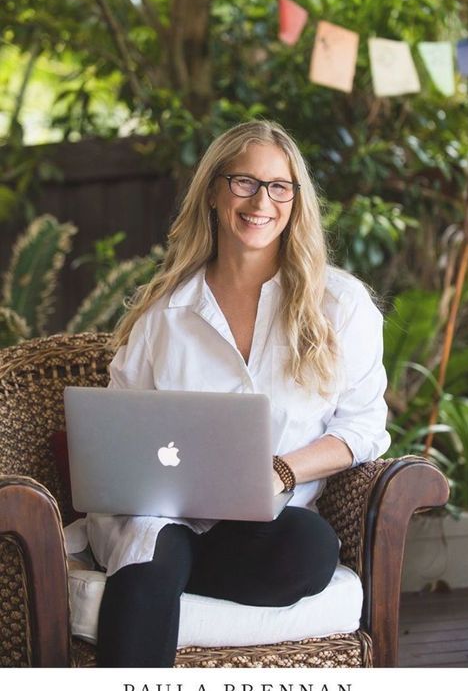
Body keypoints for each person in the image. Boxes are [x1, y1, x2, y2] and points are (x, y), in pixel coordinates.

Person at [88, 119, 390, 667]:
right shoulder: (164, 314)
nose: (261, 201)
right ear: (212, 191)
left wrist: (282, 470)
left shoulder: (341, 307)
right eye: (244, 182)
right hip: (167, 517)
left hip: (267, 529)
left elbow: (364, 428)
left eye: (279, 186)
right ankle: (162, 565)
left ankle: (169, 565)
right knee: (155, 546)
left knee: (310, 548)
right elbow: (119, 426)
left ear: (296, 201)